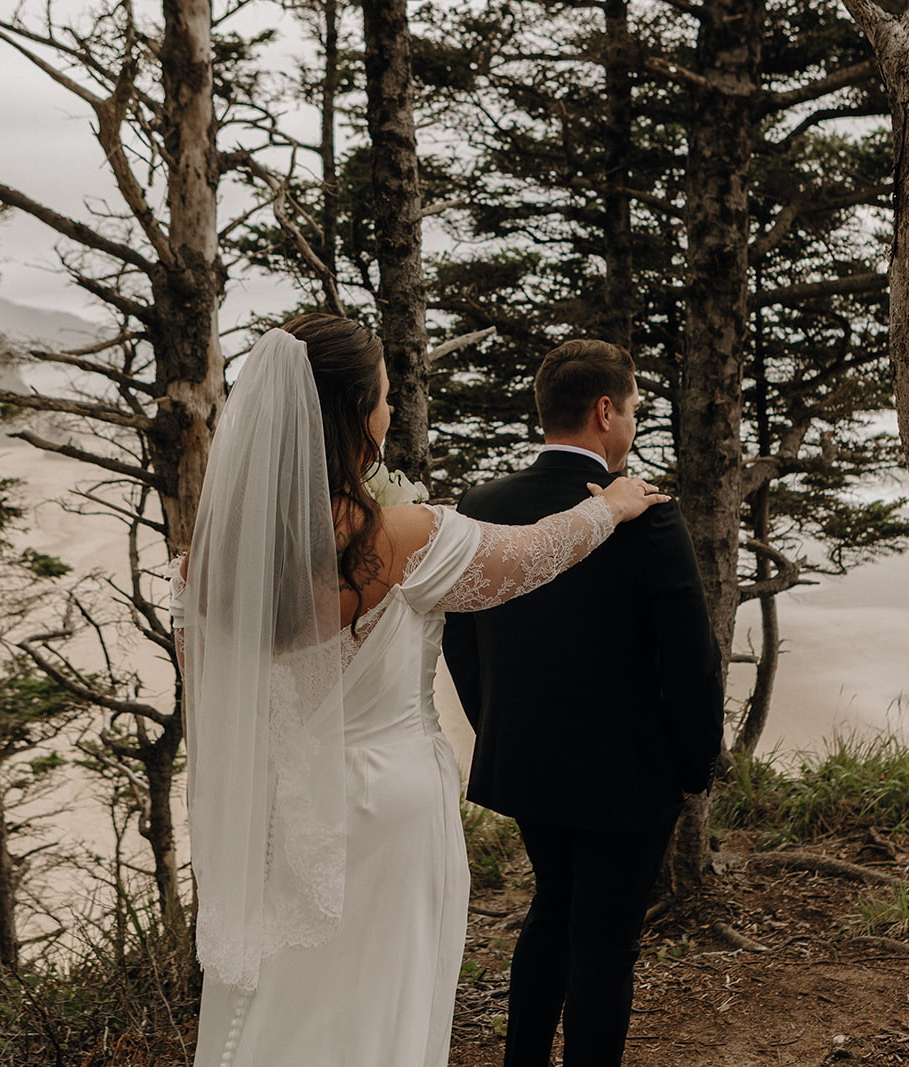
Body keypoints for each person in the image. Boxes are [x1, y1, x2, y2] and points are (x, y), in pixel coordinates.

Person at [170, 315, 670, 1067]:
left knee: (281, 998)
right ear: (352, 415)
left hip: (281, 816)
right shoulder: (397, 536)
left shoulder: (207, 566)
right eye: (384, 396)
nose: (390, 409)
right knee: (382, 1011)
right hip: (387, 816)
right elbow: (531, 554)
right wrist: (613, 505)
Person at [442, 338, 724, 1067]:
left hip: (528, 767)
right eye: (632, 408)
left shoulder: (482, 505)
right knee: (604, 939)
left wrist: (502, 726)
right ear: (605, 411)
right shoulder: (646, 517)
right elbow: (691, 663)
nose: (633, 421)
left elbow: (461, 638)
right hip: (624, 781)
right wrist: (696, 765)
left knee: (552, 913)